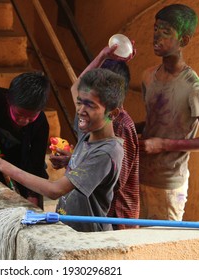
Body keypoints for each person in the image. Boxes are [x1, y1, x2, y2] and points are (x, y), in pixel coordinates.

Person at [0, 68, 125, 232]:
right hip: (67, 227)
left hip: (88, 236)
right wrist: (73, 160)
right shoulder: (89, 131)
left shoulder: (107, 151)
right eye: (79, 102)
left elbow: (55, 190)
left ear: (112, 114)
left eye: (90, 105)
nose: (80, 111)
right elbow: (75, 86)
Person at [137, 4, 199, 221]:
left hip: (169, 185)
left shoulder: (193, 87)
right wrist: (125, 128)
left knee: (162, 248)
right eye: (156, 29)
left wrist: (163, 144)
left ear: (183, 40)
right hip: (141, 176)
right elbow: (155, 122)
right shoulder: (148, 76)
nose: (157, 36)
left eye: (166, 32)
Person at [49, 45, 139, 230]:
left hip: (115, 216)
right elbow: (76, 86)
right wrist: (102, 54)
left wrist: (79, 168)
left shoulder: (120, 125)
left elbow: (115, 178)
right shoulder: (93, 116)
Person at [0, 72, 51, 209]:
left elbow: (36, 163)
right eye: (19, 114)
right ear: (9, 101)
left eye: (30, 117)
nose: (23, 121)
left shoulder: (41, 124)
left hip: (26, 173)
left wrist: (32, 195)